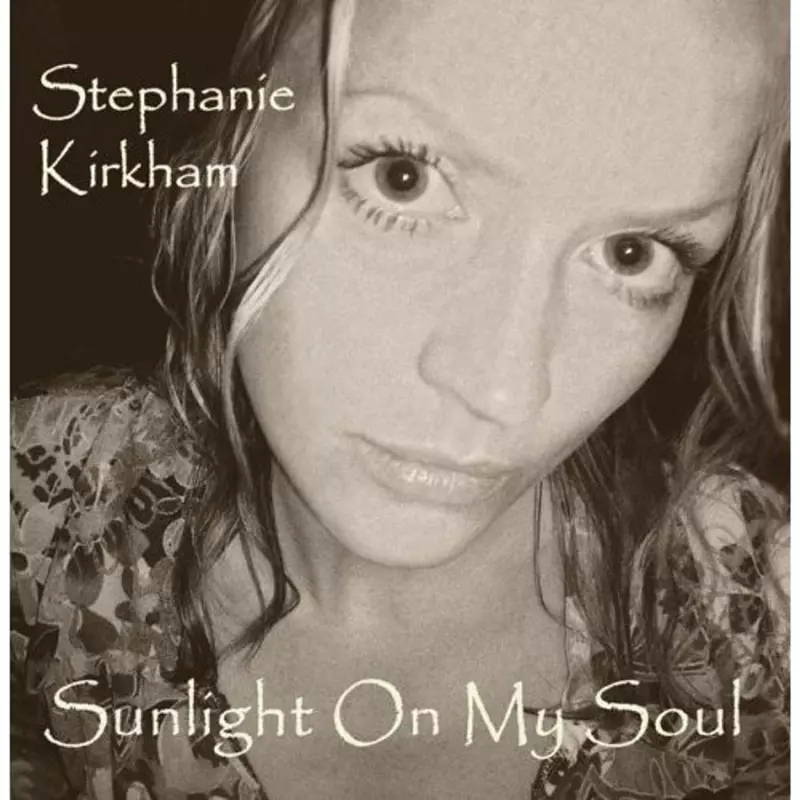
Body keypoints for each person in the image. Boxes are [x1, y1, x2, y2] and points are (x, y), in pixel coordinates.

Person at [11, 0, 789, 798]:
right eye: (402, 178)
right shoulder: (36, 508)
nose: (504, 388)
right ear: (235, 137)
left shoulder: (753, 610)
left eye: (632, 253)